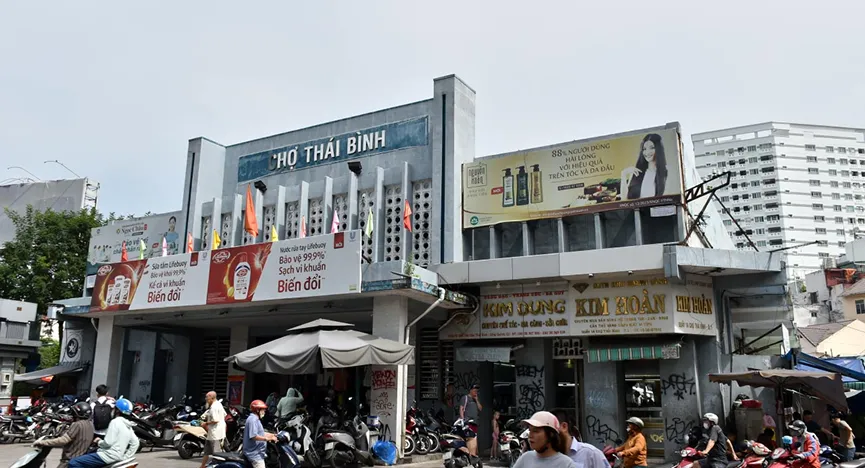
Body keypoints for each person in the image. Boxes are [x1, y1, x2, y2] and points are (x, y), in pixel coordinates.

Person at [68, 398, 139, 468]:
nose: (112, 410)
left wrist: (98, 441)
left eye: (114, 408)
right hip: (118, 457)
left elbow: (108, 443)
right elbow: (135, 443)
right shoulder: (128, 425)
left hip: (107, 455)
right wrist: (125, 457)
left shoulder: (115, 422)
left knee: (74, 463)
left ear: (117, 410)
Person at [33, 401, 95, 468]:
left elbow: (63, 440)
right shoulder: (90, 424)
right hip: (81, 460)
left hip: (70, 461)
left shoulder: (77, 424)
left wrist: (43, 442)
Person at [512, 411, 577, 468]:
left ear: (551, 435)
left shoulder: (567, 464)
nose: (530, 435)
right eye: (530, 430)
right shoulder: (525, 458)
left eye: (536, 431)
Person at [622, 133, 668, 200]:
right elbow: (624, 200)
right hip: (635, 210)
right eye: (644, 149)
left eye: (652, 148)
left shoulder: (664, 172)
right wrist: (623, 174)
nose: (647, 152)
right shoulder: (636, 171)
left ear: (658, 149)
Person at [244, 400, 277, 468]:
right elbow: (254, 436)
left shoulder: (255, 419)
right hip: (255, 454)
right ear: (257, 410)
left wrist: (272, 435)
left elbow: (260, 433)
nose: (264, 412)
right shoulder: (253, 420)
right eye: (263, 410)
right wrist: (267, 439)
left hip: (258, 453)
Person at [200, 391, 227, 468]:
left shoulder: (214, 407)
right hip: (213, 432)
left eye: (207, 397)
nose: (206, 399)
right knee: (207, 451)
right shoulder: (218, 404)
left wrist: (205, 423)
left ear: (212, 398)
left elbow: (215, 420)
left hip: (216, 434)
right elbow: (224, 414)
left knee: (217, 454)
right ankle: (202, 466)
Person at [460, 384, 483, 456]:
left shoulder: (476, 399)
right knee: (469, 438)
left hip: (475, 423)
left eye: (477, 391)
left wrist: (477, 400)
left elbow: (480, 409)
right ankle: (470, 454)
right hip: (468, 422)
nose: (476, 392)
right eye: (474, 390)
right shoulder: (465, 398)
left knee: (474, 438)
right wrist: (462, 420)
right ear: (471, 390)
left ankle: (474, 454)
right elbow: (461, 409)